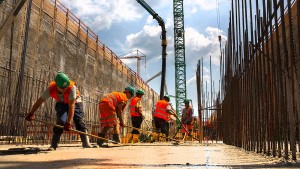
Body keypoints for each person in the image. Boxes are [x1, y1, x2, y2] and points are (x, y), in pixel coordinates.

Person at [25, 72, 94, 150]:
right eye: (62, 88)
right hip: (61, 102)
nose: (64, 89)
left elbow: (71, 106)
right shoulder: (50, 89)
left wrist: (69, 123)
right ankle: (54, 145)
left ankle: (86, 143)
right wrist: (31, 113)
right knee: (60, 122)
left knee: (79, 120)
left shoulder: (72, 88)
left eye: (65, 87)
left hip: (75, 102)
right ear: (56, 85)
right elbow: (40, 101)